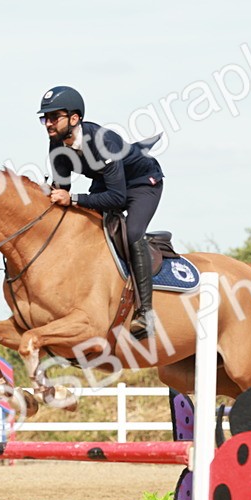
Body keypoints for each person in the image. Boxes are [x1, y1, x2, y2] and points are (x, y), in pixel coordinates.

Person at [38, 86, 164, 339]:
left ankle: (145, 313)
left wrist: (74, 199)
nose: (48, 123)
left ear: (74, 118)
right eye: (45, 118)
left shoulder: (102, 142)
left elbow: (117, 198)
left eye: (54, 117)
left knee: (133, 233)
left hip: (141, 183)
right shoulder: (56, 145)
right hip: (108, 182)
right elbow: (62, 191)